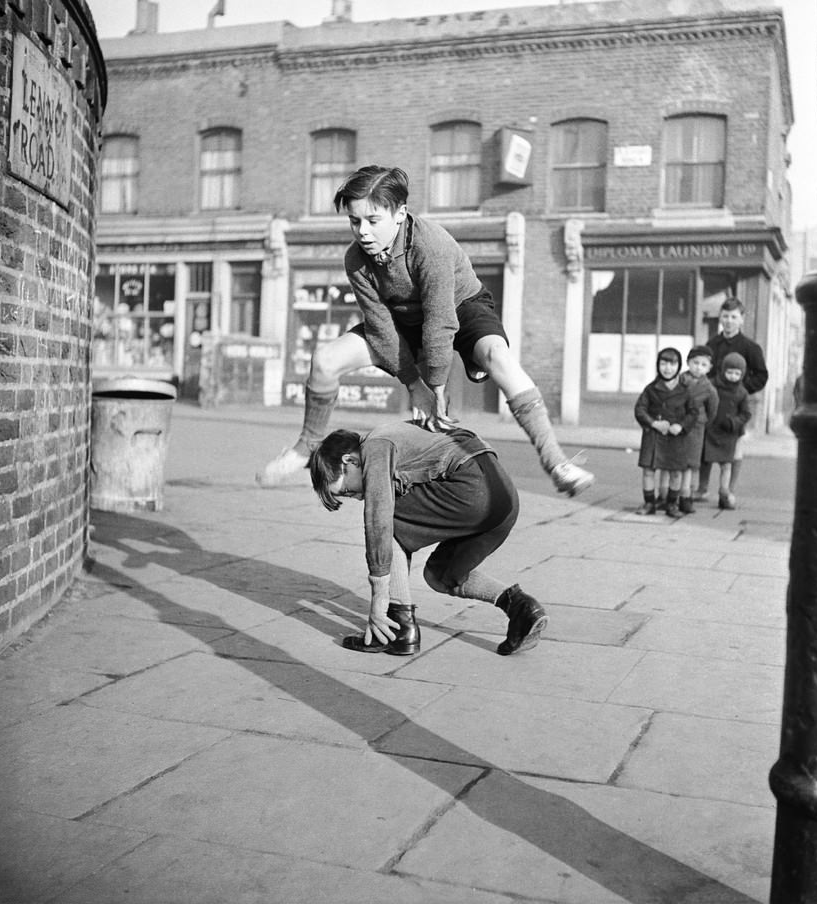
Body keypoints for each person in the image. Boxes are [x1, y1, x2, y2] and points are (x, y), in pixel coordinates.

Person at [258, 165, 593, 498]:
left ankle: (556, 461)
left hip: (461, 307)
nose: (362, 231)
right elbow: (380, 324)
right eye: (354, 221)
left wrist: (434, 386)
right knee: (325, 360)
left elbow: (440, 321)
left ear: (400, 213)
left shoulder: (430, 245)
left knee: (498, 356)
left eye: (373, 221)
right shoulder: (356, 259)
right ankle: (306, 448)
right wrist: (412, 384)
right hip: (401, 320)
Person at [307, 420, 548, 657]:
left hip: (472, 488)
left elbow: (378, 518)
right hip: (504, 501)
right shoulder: (401, 434)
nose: (357, 497)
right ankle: (521, 608)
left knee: (385, 519)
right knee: (441, 575)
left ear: (349, 460)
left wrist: (379, 595)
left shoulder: (375, 445)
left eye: (348, 490)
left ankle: (400, 630)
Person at [696, 297, 767, 500]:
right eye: (725, 316)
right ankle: (702, 489)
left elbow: (762, 375)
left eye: (733, 317)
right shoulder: (712, 344)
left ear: (742, 319)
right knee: (705, 448)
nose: (728, 321)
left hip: (735, 410)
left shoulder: (750, 348)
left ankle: (728, 490)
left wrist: (740, 390)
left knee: (735, 450)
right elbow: (704, 369)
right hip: (712, 407)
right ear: (720, 318)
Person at [633, 347, 696, 517]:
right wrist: (653, 423)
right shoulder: (651, 389)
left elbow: (693, 413)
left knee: (676, 471)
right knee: (648, 470)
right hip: (654, 435)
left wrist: (681, 426)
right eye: (663, 363)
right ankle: (649, 503)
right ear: (657, 365)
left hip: (675, 437)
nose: (667, 368)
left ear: (679, 366)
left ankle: (671, 504)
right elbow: (640, 409)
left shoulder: (685, 390)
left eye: (672, 364)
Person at [703, 352, 752, 509]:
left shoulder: (741, 392)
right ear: (723, 370)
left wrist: (734, 423)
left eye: (737, 373)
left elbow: (746, 413)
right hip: (711, 429)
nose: (732, 376)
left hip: (730, 432)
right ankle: (698, 488)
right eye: (729, 372)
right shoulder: (712, 386)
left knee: (727, 465)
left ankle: (724, 493)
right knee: (703, 461)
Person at [678, 345, 718, 514]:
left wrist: (702, 421)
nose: (698, 367)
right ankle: (671, 494)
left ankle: (686, 495)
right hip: (678, 426)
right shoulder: (678, 381)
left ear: (709, 368)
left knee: (690, 464)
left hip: (695, 428)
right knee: (674, 461)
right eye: (695, 363)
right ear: (688, 362)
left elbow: (712, 410)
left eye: (703, 365)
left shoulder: (709, 389)